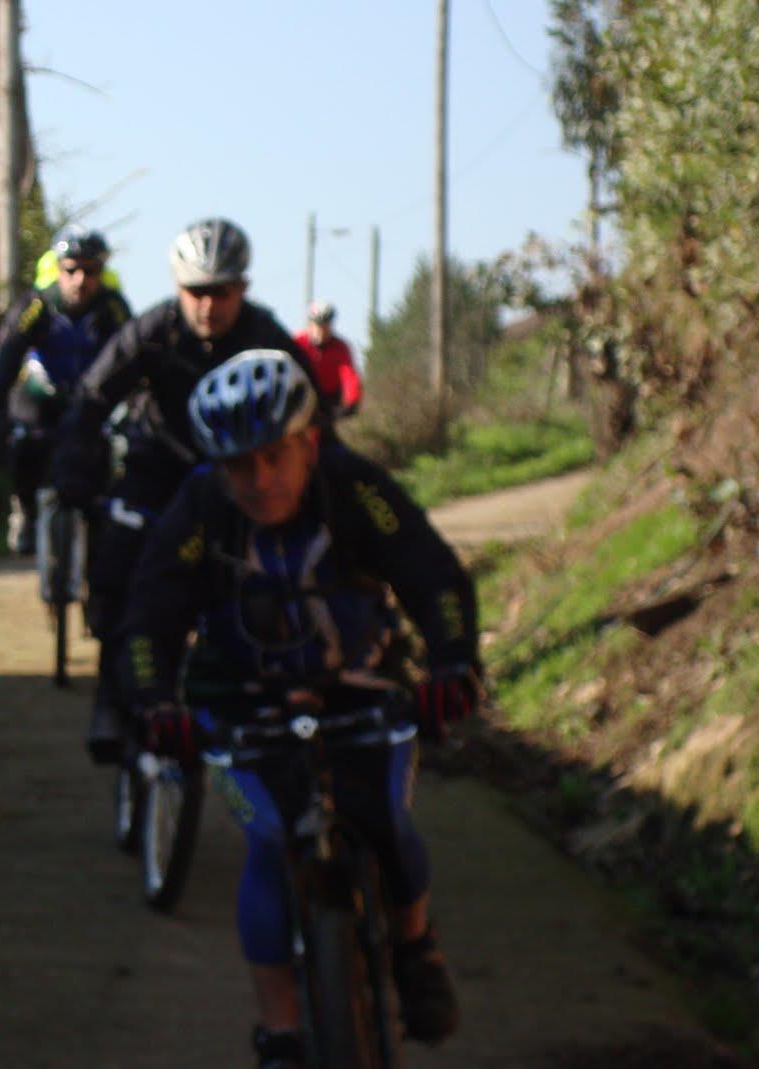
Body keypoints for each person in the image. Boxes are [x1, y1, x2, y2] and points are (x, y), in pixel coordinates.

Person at [119, 350, 480, 1065]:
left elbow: (430, 572)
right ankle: (281, 1033)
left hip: (361, 689)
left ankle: (415, 946)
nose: (258, 481)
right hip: (240, 705)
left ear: (310, 444)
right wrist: (155, 703)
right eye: (237, 466)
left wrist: (453, 662)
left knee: (386, 820)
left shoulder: (355, 489)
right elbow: (148, 617)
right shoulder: (201, 509)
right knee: (268, 844)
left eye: (274, 458)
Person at [50, 217, 325, 763]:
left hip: (234, 480)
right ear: (178, 286)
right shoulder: (151, 331)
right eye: (195, 291)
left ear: (242, 288)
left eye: (221, 292)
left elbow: (314, 418)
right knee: (119, 568)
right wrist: (73, 473)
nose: (207, 305)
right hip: (158, 469)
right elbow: (92, 399)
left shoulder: (267, 337)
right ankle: (113, 696)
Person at [0, 225, 132, 554]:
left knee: (108, 453)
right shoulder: (37, 305)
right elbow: (6, 357)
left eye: (90, 271)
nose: (80, 280)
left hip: (90, 400)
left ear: (102, 273)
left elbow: (134, 357)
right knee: (24, 444)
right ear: (58, 269)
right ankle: (24, 509)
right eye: (71, 270)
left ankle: (101, 527)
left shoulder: (113, 308)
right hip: (40, 396)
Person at [295, 299, 362, 417]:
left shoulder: (340, 348)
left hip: (327, 402)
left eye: (325, 325)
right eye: (317, 324)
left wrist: (352, 401)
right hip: (302, 399)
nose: (321, 330)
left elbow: (349, 376)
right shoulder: (298, 343)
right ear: (310, 324)